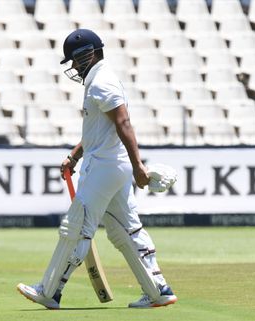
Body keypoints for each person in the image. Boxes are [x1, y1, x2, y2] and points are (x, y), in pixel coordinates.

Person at [17, 29, 177, 309]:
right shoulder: (102, 79)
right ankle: (158, 289)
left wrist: (139, 166)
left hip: (103, 168)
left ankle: (50, 291)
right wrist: (75, 155)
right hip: (113, 167)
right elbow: (99, 130)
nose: (74, 67)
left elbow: (123, 123)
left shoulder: (101, 82)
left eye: (74, 61)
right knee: (126, 231)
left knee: (76, 228)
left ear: (86, 55)